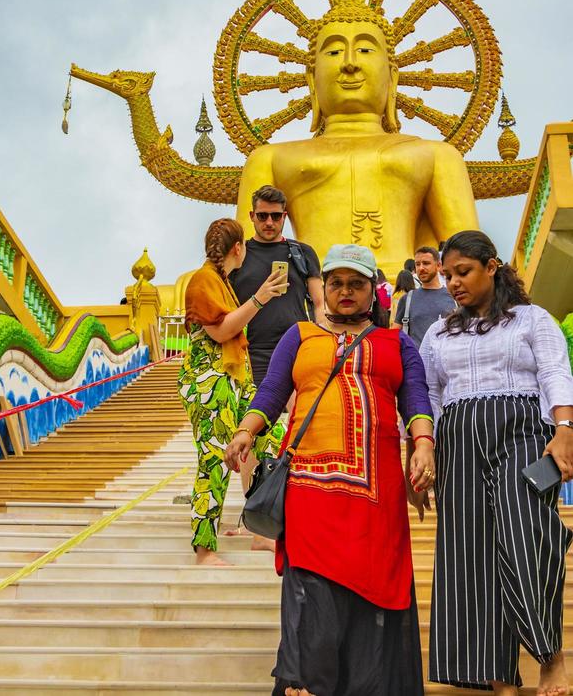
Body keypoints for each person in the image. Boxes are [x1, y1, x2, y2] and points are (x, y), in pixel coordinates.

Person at [225, 243, 435, 696]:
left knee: (374, 602)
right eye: (336, 282)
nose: (344, 292)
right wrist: (246, 430)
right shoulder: (300, 336)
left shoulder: (396, 342)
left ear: (371, 291)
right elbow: (272, 391)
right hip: (309, 495)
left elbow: (416, 399)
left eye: (355, 284)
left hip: (375, 502)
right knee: (311, 599)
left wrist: (423, 444)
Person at [235, 0, 479, 277]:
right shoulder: (272, 159)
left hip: (402, 292)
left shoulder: (436, 156)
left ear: (392, 76)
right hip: (313, 293)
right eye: (333, 52)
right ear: (311, 78)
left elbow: (469, 260)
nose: (349, 64)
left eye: (365, 50)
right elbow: (244, 261)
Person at [422, 230, 573, 696]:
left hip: (523, 432)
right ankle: (497, 674)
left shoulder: (531, 319)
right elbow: (428, 393)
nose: (453, 283)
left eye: (462, 272)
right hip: (458, 441)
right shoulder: (438, 331)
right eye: (447, 275)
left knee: (526, 534)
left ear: (491, 267)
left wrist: (565, 430)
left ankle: (551, 655)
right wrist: (423, 448)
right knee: (471, 555)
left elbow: (553, 370)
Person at [178, 218, 287, 566]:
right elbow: (222, 332)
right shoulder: (203, 280)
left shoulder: (221, 281)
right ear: (238, 248)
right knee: (215, 458)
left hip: (235, 377)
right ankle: (204, 549)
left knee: (271, 438)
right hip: (210, 380)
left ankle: (261, 529)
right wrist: (260, 298)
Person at [230, 185, 324, 387]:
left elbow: (319, 303)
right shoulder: (238, 255)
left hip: (298, 348)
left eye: (276, 216)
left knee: (298, 416)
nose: (269, 222)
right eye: (263, 216)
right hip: (251, 352)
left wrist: (323, 342)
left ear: (285, 216)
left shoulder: (303, 253)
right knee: (256, 415)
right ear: (252, 216)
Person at [393, 246, 456, 347]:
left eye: (426, 263)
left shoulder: (454, 297)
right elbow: (394, 334)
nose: (421, 268)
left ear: (438, 265)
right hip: (416, 361)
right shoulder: (407, 299)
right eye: (417, 264)